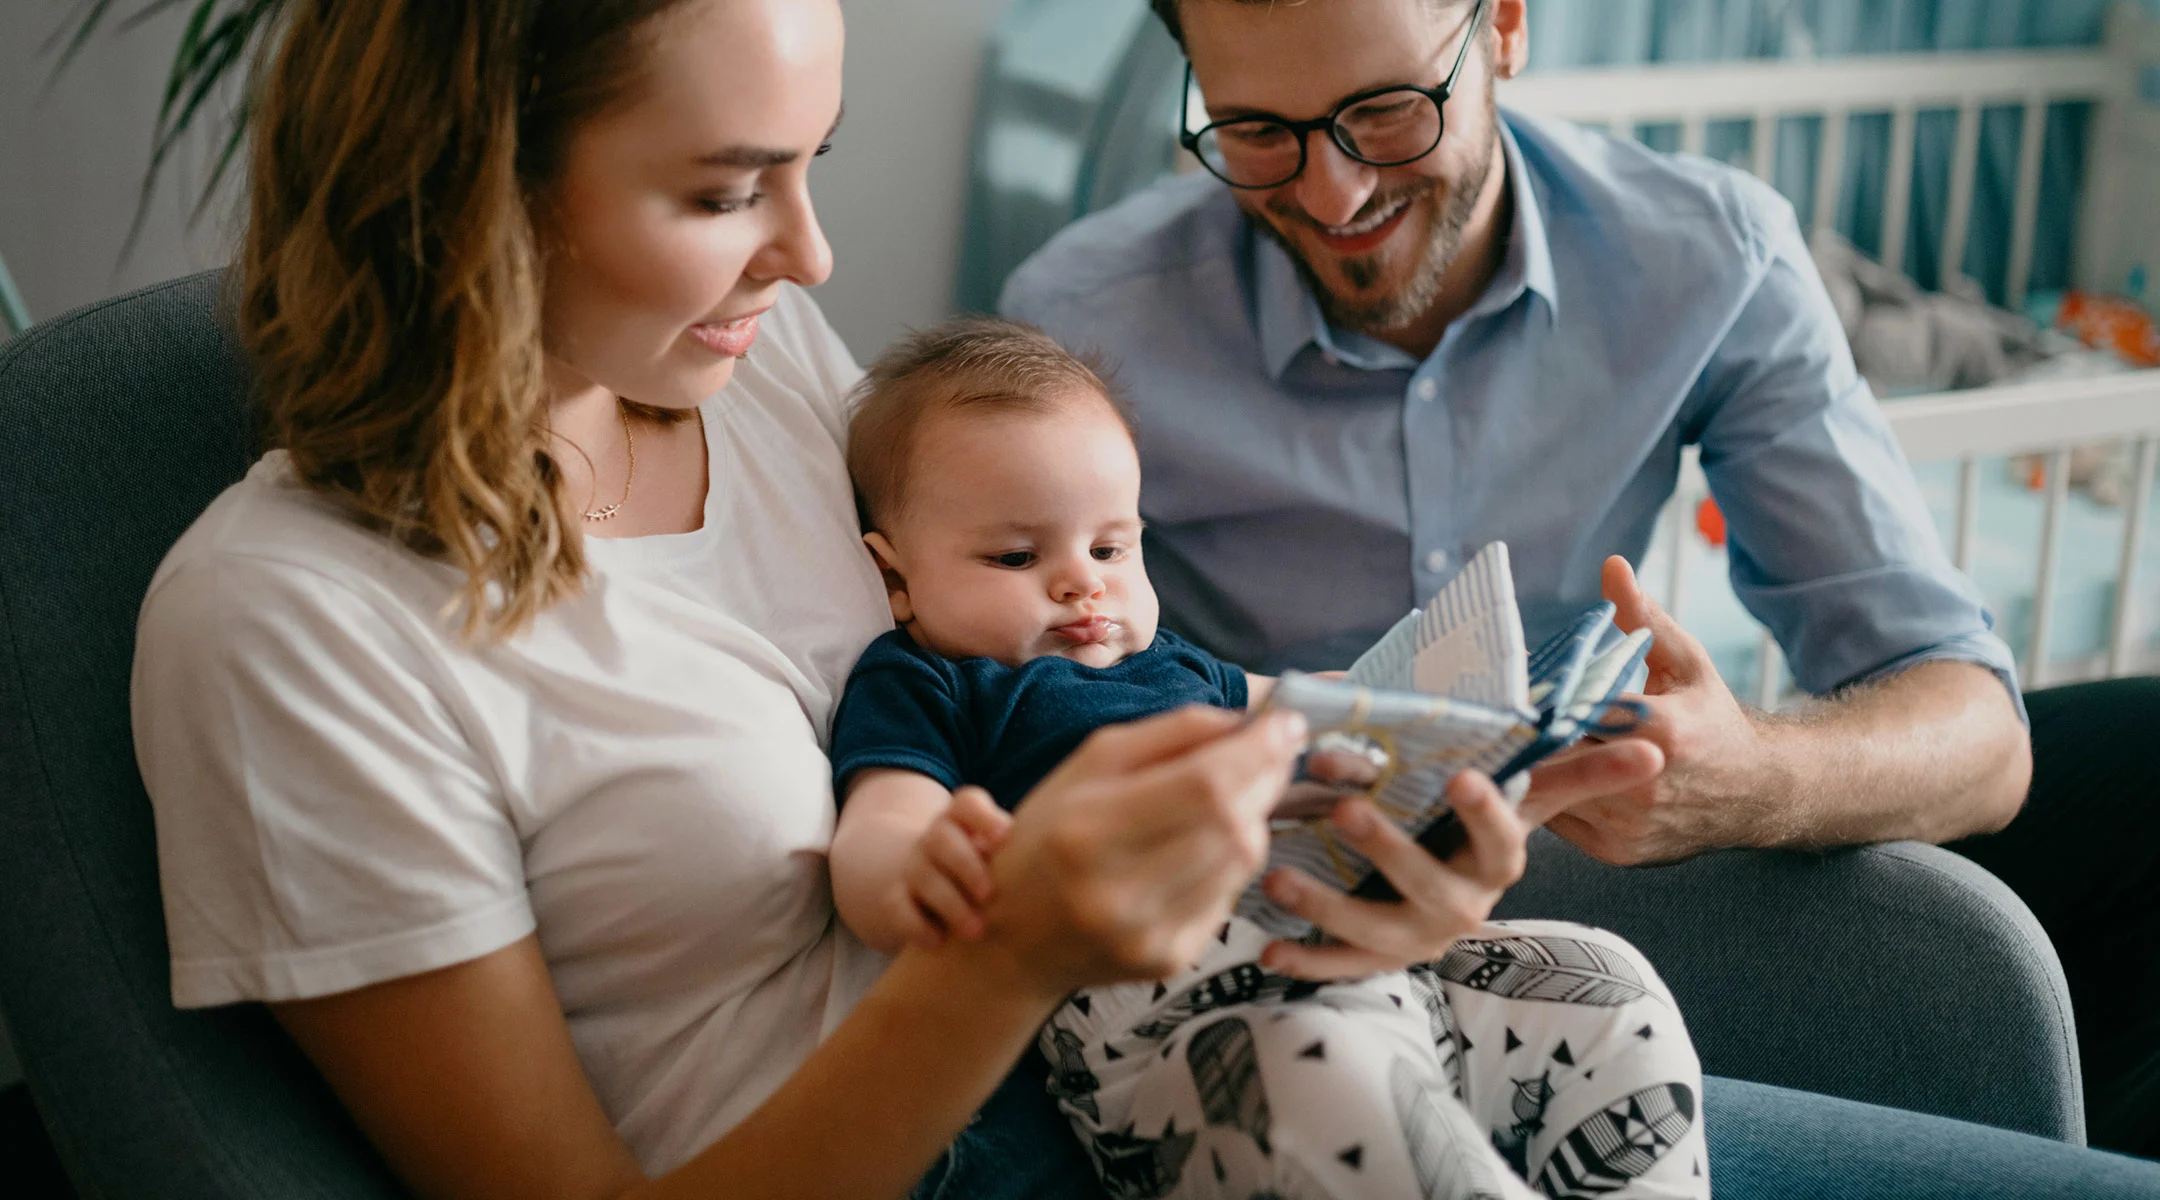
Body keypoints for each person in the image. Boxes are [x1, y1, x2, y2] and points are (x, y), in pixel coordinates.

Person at [1002, 0, 2160, 1164]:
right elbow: (988, 700)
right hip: (1275, 911)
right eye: (1257, 131)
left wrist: (1751, 775)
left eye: (1388, 114)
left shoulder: (1709, 254)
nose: (1334, 196)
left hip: (1596, 863)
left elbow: (1976, 727)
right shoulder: (1086, 326)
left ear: (1504, 26)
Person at [824, 317, 1708, 1200]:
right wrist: (916, 870)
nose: (1082, 584)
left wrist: (1465, 709)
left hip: (1377, 960)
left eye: (1111, 548)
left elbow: (1316, 699)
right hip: (1182, 1034)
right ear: (896, 579)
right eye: (1017, 556)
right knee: (1319, 1078)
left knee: (1612, 987)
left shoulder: (1173, 663)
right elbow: (879, 823)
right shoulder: (934, 681)